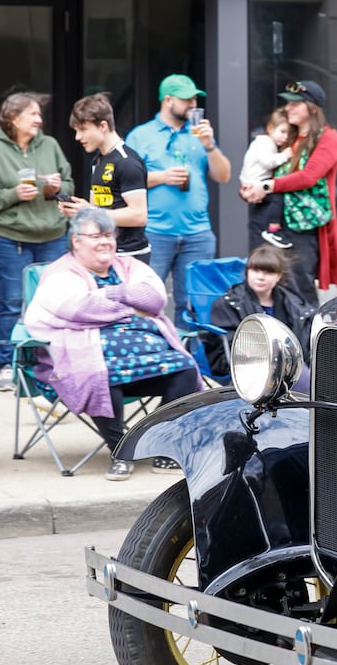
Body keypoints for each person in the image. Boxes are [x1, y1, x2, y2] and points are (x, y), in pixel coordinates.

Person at [22, 206, 202, 481]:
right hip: (86, 360)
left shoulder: (128, 265)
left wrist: (109, 293)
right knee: (99, 373)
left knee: (186, 369)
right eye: (96, 236)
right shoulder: (60, 272)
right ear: (76, 241)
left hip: (147, 362)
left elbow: (155, 299)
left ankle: (156, 443)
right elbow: (78, 308)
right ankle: (121, 450)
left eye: (109, 235)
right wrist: (131, 308)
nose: (105, 241)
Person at [0, 92, 73, 392]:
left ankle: (53, 364)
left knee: (56, 304)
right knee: (12, 304)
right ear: (13, 118)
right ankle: (7, 364)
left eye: (39, 115)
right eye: (33, 114)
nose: (39, 120)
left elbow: (68, 184)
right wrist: (14, 193)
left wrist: (57, 188)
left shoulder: (51, 145)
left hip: (53, 237)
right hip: (11, 239)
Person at [124, 74, 233, 324]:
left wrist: (209, 146)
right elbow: (125, 180)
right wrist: (162, 176)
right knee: (145, 300)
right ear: (168, 100)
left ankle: (190, 359)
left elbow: (224, 175)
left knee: (194, 305)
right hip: (155, 231)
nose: (193, 104)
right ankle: (151, 355)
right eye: (186, 99)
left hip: (198, 233)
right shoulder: (141, 136)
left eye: (195, 98)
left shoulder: (199, 134)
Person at [238, 80, 337, 304]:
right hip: (268, 222)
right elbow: (264, 172)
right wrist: (251, 188)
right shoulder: (286, 137)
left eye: (296, 104)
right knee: (261, 286)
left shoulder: (328, 137)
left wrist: (267, 186)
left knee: (299, 290)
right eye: (287, 104)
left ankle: (307, 339)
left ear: (312, 108)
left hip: (301, 228)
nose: (288, 108)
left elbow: (308, 177)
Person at [205, 246, 316, 377]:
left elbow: (306, 345)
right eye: (255, 270)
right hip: (248, 366)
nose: (260, 277)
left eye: (268, 272)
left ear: (279, 276)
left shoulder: (295, 303)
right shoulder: (228, 304)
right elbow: (228, 350)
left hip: (291, 365)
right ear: (247, 272)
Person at [61, 93, 148, 259]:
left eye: (83, 129)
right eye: (76, 131)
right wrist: (81, 210)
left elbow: (139, 216)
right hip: (103, 251)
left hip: (129, 255)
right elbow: (98, 209)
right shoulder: (98, 160)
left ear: (103, 126)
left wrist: (91, 211)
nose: (78, 137)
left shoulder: (127, 161)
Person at [239, 107, 293, 252]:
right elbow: (268, 162)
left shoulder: (266, 142)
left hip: (254, 182)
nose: (285, 137)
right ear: (270, 128)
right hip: (256, 182)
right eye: (282, 132)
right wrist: (285, 156)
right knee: (277, 197)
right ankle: (274, 228)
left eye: (289, 133)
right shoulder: (265, 143)